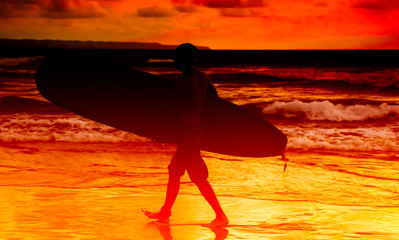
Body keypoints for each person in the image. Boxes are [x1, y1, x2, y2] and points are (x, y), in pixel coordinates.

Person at [142, 43, 229, 227]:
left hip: (187, 135)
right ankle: (165, 212)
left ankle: (220, 216)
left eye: (178, 57)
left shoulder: (181, 83)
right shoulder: (203, 78)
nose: (175, 60)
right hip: (196, 133)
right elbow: (215, 100)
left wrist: (163, 133)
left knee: (192, 176)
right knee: (178, 172)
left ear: (185, 60)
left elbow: (172, 112)